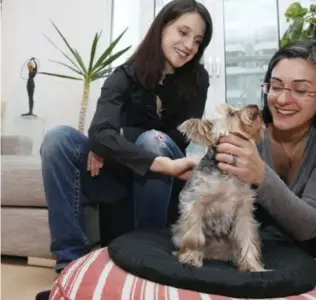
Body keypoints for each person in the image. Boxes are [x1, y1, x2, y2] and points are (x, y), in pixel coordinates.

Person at [39, 0, 213, 277]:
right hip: (122, 175)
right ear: (161, 28)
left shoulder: (198, 79)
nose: (189, 45)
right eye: (182, 32)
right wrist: (105, 142)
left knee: (153, 140)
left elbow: (177, 139)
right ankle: (70, 261)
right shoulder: (124, 74)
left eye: (197, 40)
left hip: (166, 178)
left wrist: (120, 137)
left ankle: (148, 256)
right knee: (58, 139)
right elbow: (98, 133)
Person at [215, 39, 316, 278]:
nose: (282, 100)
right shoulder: (246, 129)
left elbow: (309, 226)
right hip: (255, 231)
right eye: (276, 86)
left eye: (300, 90)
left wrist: (261, 175)